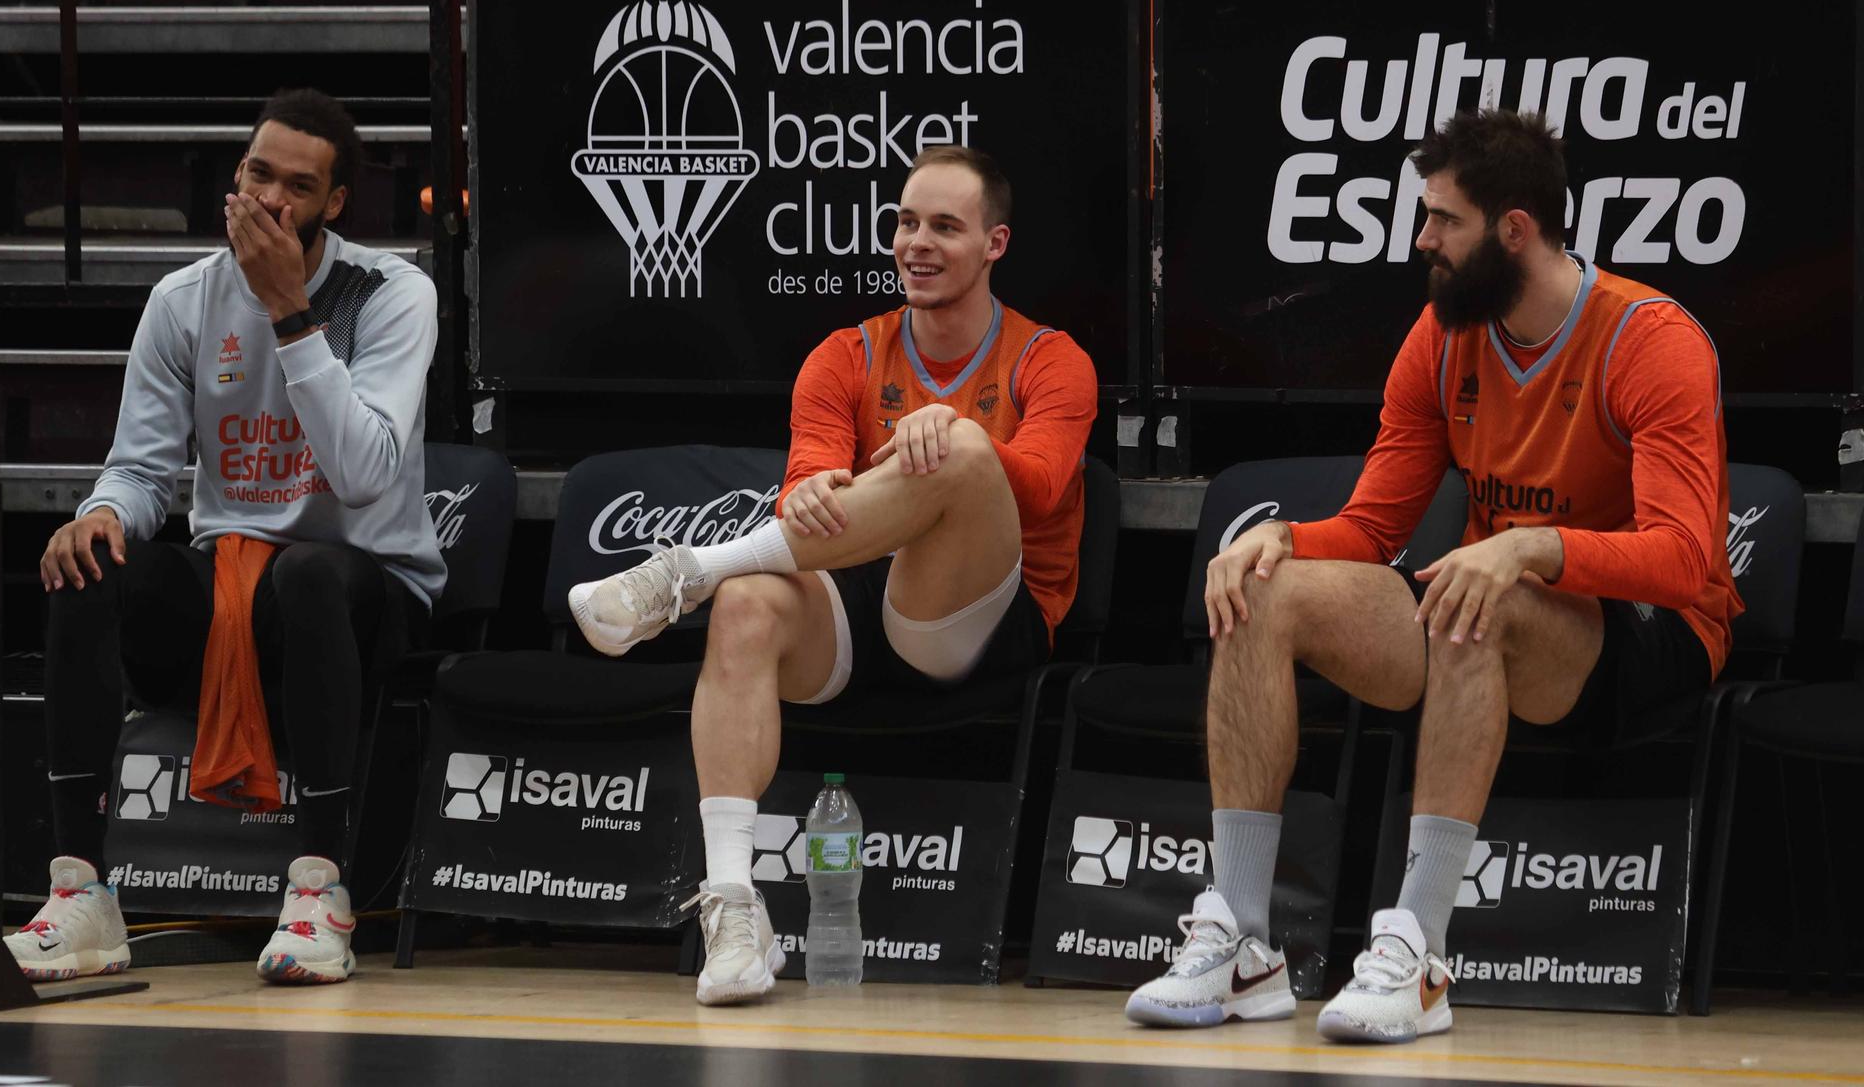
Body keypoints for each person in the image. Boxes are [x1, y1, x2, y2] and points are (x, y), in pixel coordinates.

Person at [1125, 109, 1741, 1042]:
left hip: (1647, 632)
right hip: (1491, 610)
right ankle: (1243, 946)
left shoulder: (1650, 340)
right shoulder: (1442, 335)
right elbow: (1374, 529)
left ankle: (1418, 953)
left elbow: (1687, 558)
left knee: (1473, 598)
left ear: (1514, 230)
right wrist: (1279, 540)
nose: (1421, 240)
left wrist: (1531, 547)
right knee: (1262, 593)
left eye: (1442, 220)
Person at [570, 145, 1098, 1005]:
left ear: (995, 243)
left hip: (980, 612)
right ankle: (735, 910)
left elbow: (1038, 487)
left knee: (960, 447)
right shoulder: (843, 353)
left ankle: (690, 568)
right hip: (856, 593)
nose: (916, 242)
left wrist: (947, 437)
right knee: (746, 606)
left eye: (944, 227)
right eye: (905, 222)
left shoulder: (1052, 358)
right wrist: (814, 484)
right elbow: (806, 490)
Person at [8, 88, 444, 986]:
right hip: (232, 586)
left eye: (298, 186)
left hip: (364, 591)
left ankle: (321, 892)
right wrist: (99, 514)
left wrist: (291, 313)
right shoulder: (183, 301)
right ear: (234, 179)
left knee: (313, 573)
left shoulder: (393, 293)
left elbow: (364, 476)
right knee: (87, 567)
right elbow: (140, 471)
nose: (272, 200)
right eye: (258, 173)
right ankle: (82, 894)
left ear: (334, 205)